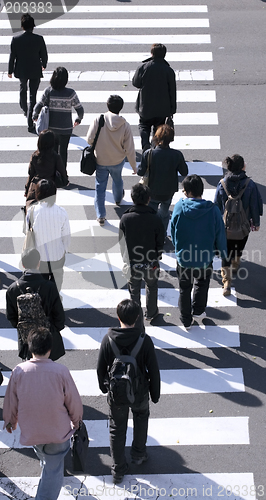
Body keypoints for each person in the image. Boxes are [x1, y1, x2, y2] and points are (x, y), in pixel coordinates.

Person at [3, 328, 83, 500]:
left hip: (32, 431)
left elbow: (11, 399)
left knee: (45, 457)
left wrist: (10, 420)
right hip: (58, 431)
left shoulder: (19, 371)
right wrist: (76, 422)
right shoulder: (61, 371)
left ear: (30, 348)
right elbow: (73, 402)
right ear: (50, 349)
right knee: (53, 470)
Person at [97, 299, 160, 484]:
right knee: (141, 419)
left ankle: (118, 468)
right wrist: (154, 394)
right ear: (138, 317)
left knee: (117, 429)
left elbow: (101, 368)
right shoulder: (144, 340)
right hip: (139, 392)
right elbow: (153, 370)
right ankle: (138, 454)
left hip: (116, 394)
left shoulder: (108, 339)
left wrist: (104, 387)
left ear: (118, 317)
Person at [171, 174, 227, 330]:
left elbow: (173, 231)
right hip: (204, 258)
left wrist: (177, 248)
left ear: (187, 192)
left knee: (184, 288)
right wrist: (222, 253)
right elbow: (220, 233)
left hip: (184, 258)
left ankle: (186, 320)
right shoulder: (213, 210)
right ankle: (198, 310)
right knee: (202, 285)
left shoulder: (179, 207)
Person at [214, 154, 263, 296]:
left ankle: (226, 282)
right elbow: (255, 205)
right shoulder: (250, 184)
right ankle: (235, 263)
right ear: (242, 167)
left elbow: (216, 206)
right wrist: (257, 222)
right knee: (239, 245)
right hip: (243, 225)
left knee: (225, 252)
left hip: (225, 226)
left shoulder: (222, 183)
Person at [86, 94, 137, 226]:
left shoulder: (99, 119)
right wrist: (134, 166)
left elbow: (89, 139)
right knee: (117, 179)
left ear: (107, 105)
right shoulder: (125, 125)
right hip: (117, 160)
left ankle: (101, 215)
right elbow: (130, 149)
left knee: (100, 187)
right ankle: (118, 199)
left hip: (101, 159)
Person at [6, 248, 65, 360]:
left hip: (27, 340)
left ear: (22, 265)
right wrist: (54, 329)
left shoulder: (13, 289)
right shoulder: (49, 286)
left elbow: (11, 316)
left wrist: (24, 329)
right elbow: (59, 316)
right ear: (39, 263)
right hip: (48, 338)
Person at [119, 184, 165, 327]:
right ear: (148, 199)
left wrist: (126, 260)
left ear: (132, 198)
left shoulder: (126, 218)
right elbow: (160, 240)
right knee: (152, 286)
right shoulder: (155, 218)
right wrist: (158, 255)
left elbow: (122, 243)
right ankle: (151, 313)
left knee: (134, 290)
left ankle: (136, 315)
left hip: (133, 262)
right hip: (151, 262)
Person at [137, 124, 188, 235]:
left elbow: (140, 171)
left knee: (151, 213)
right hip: (168, 192)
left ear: (157, 137)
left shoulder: (149, 153)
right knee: (164, 214)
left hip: (151, 191)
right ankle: (162, 234)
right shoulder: (177, 155)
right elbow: (184, 172)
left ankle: (152, 233)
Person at [33, 66, 84, 169]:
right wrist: (78, 119)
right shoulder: (70, 93)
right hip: (66, 128)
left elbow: (39, 105)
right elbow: (80, 109)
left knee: (53, 151)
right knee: (63, 152)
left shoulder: (49, 91)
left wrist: (35, 115)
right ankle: (62, 174)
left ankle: (53, 173)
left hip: (51, 128)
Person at [26, 179, 71, 291]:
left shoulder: (32, 211)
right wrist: (64, 249)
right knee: (57, 280)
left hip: (39, 257)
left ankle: (44, 301)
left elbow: (28, 231)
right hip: (57, 255)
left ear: (37, 193)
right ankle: (54, 299)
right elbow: (66, 236)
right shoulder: (61, 212)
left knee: (41, 282)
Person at [132, 43, 176, 152]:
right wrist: (172, 109)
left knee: (143, 126)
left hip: (145, 106)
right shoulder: (168, 70)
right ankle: (155, 147)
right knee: (158, 128)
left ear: (152, 54)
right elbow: (173, 91)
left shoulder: (143, 67)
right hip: (162, 108)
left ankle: (145, 146)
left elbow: (136, 83)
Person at [8, 13, 48, 133]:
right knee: (33, 96)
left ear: (22, 26)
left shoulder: (16, 40)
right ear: (33, 26)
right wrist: (43, 65)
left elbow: (12, 57)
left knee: (22, 88)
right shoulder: (39, 39)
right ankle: (30, 122)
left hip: (22, 70)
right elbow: (44, 55)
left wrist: (10, 70)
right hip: (35, 69)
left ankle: (24, 109)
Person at [24, 129, 69, 209]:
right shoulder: (55, 157)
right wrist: (65, 180)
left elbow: (30, 173)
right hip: (50, 186)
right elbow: (62, 172)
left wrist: (27, 189)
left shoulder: (35, 156)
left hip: (35, 185)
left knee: (32, 210)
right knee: (48, 209)